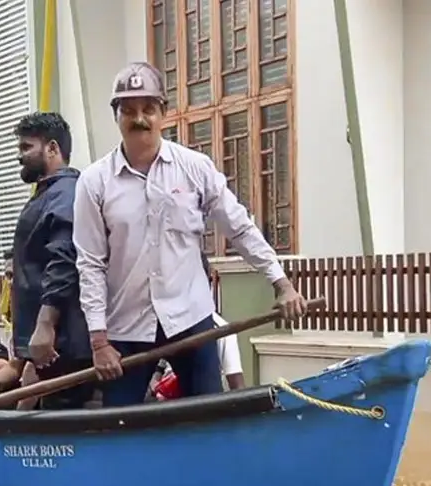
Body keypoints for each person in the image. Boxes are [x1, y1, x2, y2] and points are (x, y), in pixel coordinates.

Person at [72, 61, 307, 407]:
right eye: (129, 111)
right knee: (118, 426)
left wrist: (281, 282)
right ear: (116, 116)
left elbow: (239, 227)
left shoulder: (194, 169)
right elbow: (90, 264)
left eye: (149, 109)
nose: (140, 119)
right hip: (127, 328)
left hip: (190, 318)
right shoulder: (95, 182)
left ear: (163, 113)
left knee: (207, 416)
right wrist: (99, 341)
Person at [0, 111, 95, 410]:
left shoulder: (66, 195)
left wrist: (45, 326)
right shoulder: (48, 194)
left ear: (53, 149)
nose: (20, 156)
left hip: (63, 342)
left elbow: (64, 260)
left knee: (62, 433)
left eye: (26, 147)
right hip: (46, 346)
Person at [149, 254, 246, 399]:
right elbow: (155, 376)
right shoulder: (162, 325)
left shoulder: (221, 330)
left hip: (200, 405)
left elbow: (237, 386)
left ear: (208, 282)